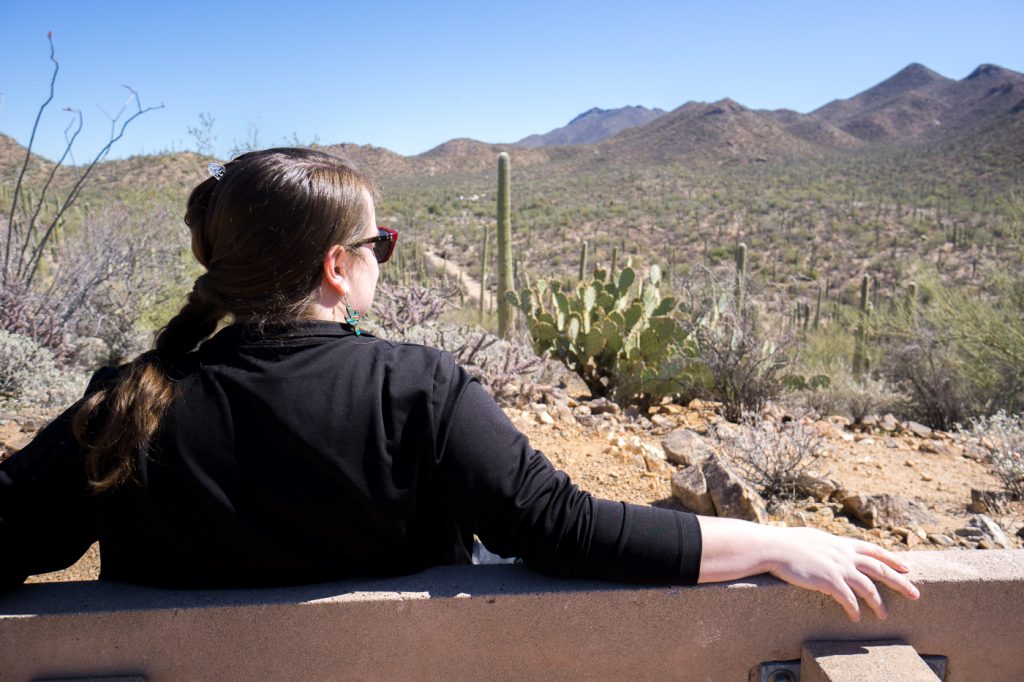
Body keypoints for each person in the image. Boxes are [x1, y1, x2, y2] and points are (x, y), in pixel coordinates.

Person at [0, 148, 918, 622]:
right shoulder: (416, 390)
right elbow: (565, 530)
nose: (382, 262)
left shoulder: (126, 404)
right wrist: (773, 544)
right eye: (379, 245)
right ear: (335, 268)